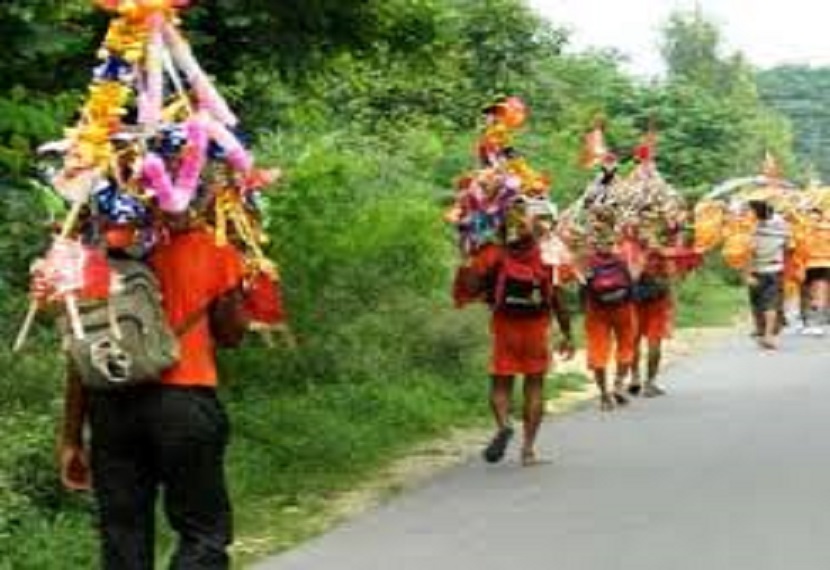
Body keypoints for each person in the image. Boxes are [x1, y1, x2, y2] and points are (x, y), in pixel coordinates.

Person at [59, 219, 248, 570]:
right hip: (184, 399)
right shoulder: (211, 245)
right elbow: (232, 334)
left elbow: (82, 354)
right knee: (202, 532)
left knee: (122, 534)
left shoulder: (90, 256)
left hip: (111, 406)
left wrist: (71, 437)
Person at [470, 200, 574, 466]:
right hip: (536, 328)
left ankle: (504, 424)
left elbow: (472, 286)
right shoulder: (547, 253)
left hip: (505, 326)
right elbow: (558, 300)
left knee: (501, 383)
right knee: (535, 385)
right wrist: (567, 333)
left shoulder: (494, 254)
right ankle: (528, 451)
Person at [581, 232, 639, 411]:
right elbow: (633, 281)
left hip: (597, 312)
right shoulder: (622, 259)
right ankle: (619, 384)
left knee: (598, 351)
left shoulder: (586, 261)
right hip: (623, 309)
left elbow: (582, 288)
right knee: (626, 346)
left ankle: (604, 396)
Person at [629, 232, 673, 398]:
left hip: (636, 303)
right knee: (654, 343)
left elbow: (631, 277)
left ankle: (634, 377)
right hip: (656, 304)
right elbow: (669, 281)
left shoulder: (633, 254)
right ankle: (650, 383)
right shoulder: (663, 257)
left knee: (634, 341)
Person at [745, 200, 790, 350]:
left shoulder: (753, 229)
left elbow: (749, 253)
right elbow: (789, 247)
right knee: (771, 303)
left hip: (758, 271)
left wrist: (748, 274)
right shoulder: (782, 227)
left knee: (758, 303)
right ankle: (768, 334)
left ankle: (764, 333)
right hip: (775, 269)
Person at [802, 208, 830, 336]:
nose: (812, 220)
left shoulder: (807, 229)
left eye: (814, 218)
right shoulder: (804, 229)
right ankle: (811, 322)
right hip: (808, 265)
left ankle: (816, 323)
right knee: (810, 294)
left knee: (820, 294)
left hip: (823, 264)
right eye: (810, 218)